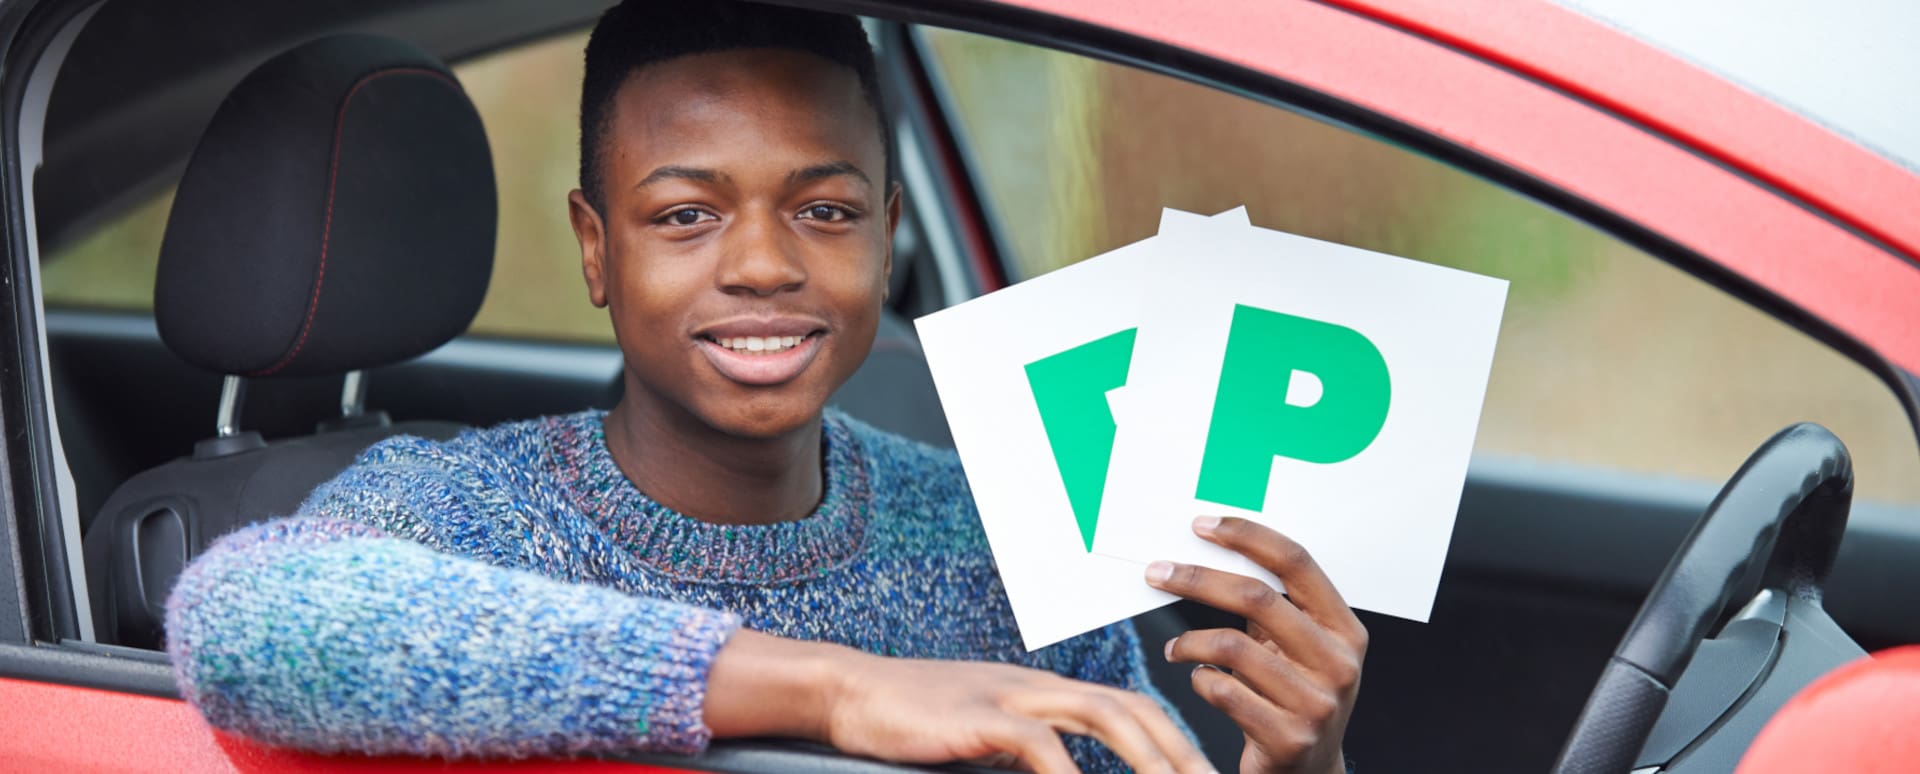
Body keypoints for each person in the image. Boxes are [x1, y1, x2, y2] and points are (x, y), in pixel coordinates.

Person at [164, 2, 1368, 772]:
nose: (761, 265)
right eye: (685, 214)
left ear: (888, 234)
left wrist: (1297, 771)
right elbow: (240, 619)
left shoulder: (999, 532)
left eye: (825, 211)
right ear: (596, 247)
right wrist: (836, 690)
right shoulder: (470, 516)